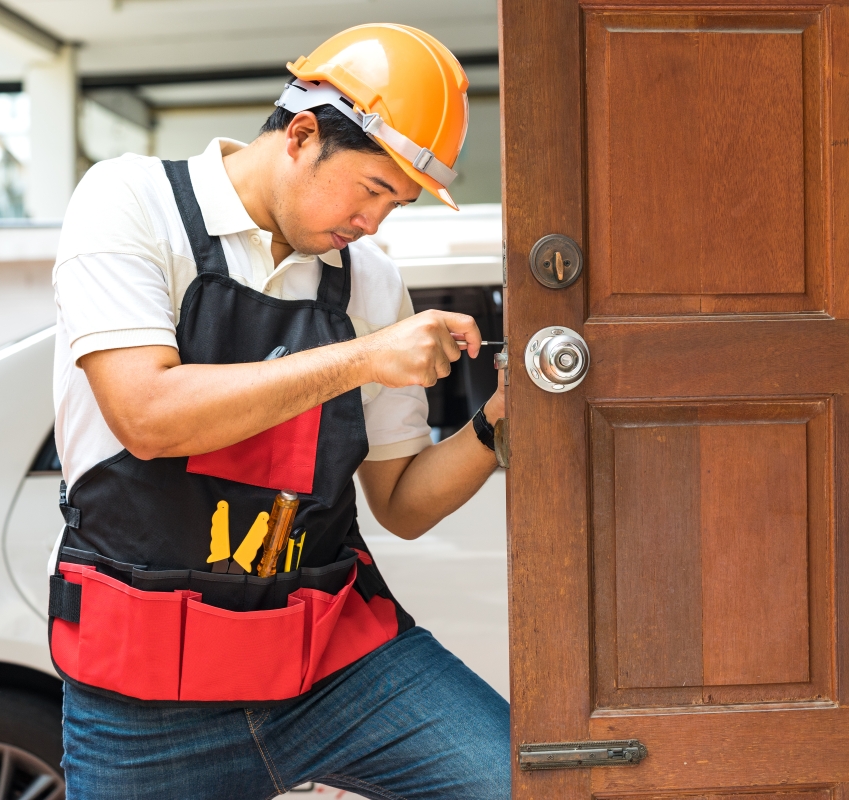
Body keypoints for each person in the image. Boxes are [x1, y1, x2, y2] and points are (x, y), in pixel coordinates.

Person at [46, 24, 510, 800]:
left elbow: (399, 504)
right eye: (371, 191)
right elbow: (149, 415)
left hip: (336, 668)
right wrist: (364, 357)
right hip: (144, 707)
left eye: (393, 206)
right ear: (300, 135)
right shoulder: (129, 201)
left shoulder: (369, 281)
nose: (373, 225)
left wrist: (498, 423)